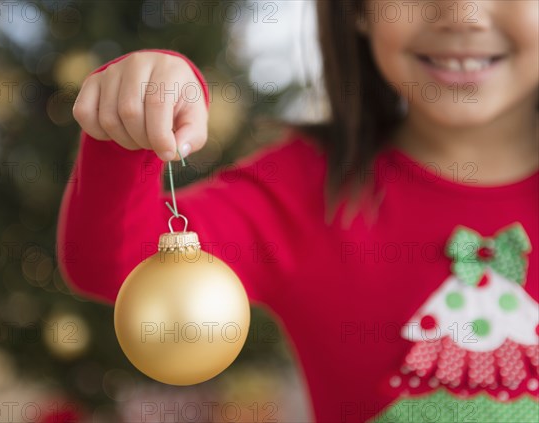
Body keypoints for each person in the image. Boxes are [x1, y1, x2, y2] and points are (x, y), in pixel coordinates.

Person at [56, 1, 538, 422]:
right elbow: (114, 265)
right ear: (356, 9)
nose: (462, 14)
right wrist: (131, 124)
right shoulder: (300, 188)